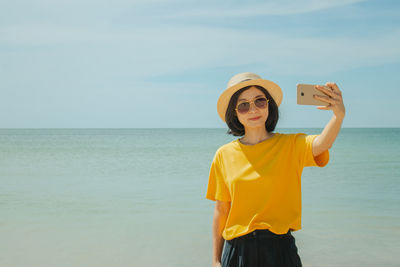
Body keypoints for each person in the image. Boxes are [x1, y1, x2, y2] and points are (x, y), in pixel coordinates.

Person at [205, 72, 345, 267]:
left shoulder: (291, 144)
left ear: (269, 105)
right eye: (243, 105)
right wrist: (215, 260)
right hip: (237, 252)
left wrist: (338, 116)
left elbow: (322, 143)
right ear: (234, 113)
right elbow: (221, 211)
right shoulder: (223, 155)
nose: (253, 109)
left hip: (280, 250)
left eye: (259, 101)